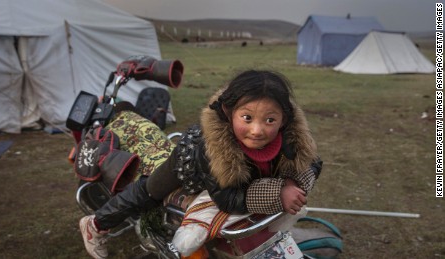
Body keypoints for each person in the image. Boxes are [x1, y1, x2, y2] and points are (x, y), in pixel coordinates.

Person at [78, 69, 323, 258]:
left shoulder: (292, 138)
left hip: (241, 180)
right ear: (228, 112)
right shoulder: (211, 148)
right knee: (148, 190)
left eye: (270, 119)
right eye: (247, 117)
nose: (257, 130)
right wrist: (279, 192)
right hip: (187, 167)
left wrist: (293, 180)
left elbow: (313, 163)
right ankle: (95, 224)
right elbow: (225, 199)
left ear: (284, 119)